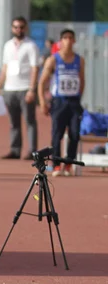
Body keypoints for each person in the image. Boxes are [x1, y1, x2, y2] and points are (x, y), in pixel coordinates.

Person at [38, 29, 85, 177]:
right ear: (61, 41)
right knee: (57, 134)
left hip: (74, 102)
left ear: (74, 41)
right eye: (65, 38)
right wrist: (42, 102)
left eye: (71, 38)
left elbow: (82, 80)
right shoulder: (53, 60)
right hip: (59, 101)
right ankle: (57, 165)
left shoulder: (79, 60)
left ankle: (69, 163)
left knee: (74, 134)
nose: (68, 41)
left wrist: (78, 98)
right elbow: (42, 82)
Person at [0, 16, 40, 160]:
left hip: (25, 88)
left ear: (25, 28)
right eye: (16, 27)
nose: (18, 30)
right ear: (12, 28)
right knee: (14, 122)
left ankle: (32, 150)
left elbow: (35, 68)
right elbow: (4, 68)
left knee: (29, 121)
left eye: (21, 27)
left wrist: (32, 89)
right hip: (10, 88)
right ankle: (15, 149)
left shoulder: (31, 46)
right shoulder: (8, 45)